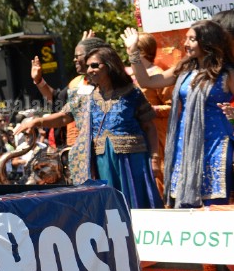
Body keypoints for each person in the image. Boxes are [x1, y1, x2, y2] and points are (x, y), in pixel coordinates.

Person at [17, 46, 162, 208]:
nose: (90, 70)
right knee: (112, 208)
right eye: (88, 66)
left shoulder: (131, 93)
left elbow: (149, 127)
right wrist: (37, 121)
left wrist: (155, 159)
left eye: (95, 65)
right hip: (102, 161)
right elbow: (64, 116)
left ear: (110, 65)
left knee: (137, 204)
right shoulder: (85, 96)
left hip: (133, 160)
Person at [123, 21, 234, 208]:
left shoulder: (226, 73)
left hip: (217, 143)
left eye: (192, 39)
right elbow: (147, 80)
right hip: (186, 144)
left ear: (208, 42)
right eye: (186, 38)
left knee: (213, 202)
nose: (186, 43)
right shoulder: (183, 69)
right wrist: (132, 51)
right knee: (185, 202)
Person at [129, 32, 171, 193]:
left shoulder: (158, 74)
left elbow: (173, 106)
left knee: (159, 177)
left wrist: (152, 110)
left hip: (158, 135)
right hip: (138, 135)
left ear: (142, 51)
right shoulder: (131, 76)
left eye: (131, 48)